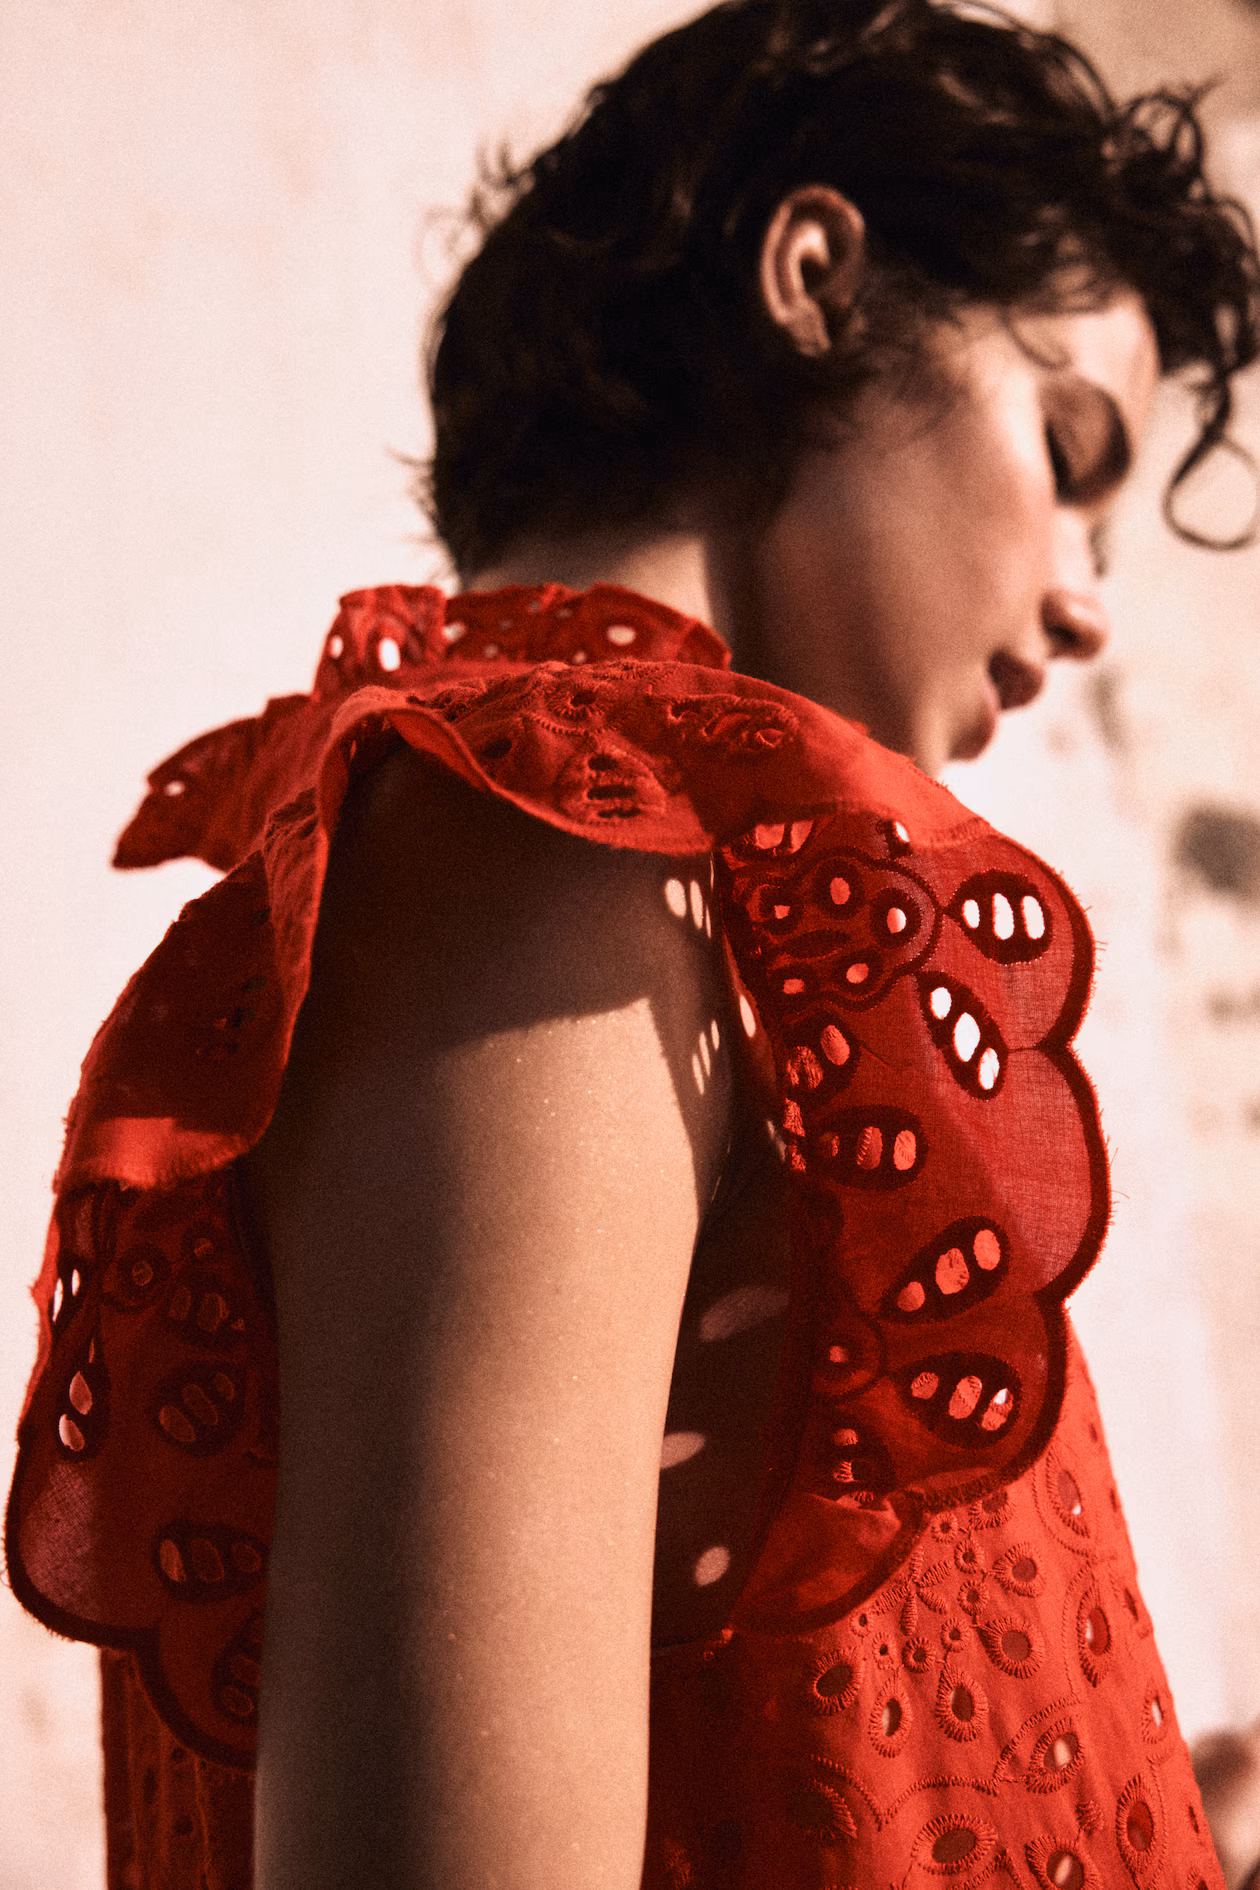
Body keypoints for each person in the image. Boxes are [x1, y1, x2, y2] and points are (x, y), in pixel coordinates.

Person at [7, 2, 1260, 1886]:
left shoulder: (660, 893)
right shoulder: (543, 842)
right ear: (818, 277)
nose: (1087, 604)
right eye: (1067, 442)